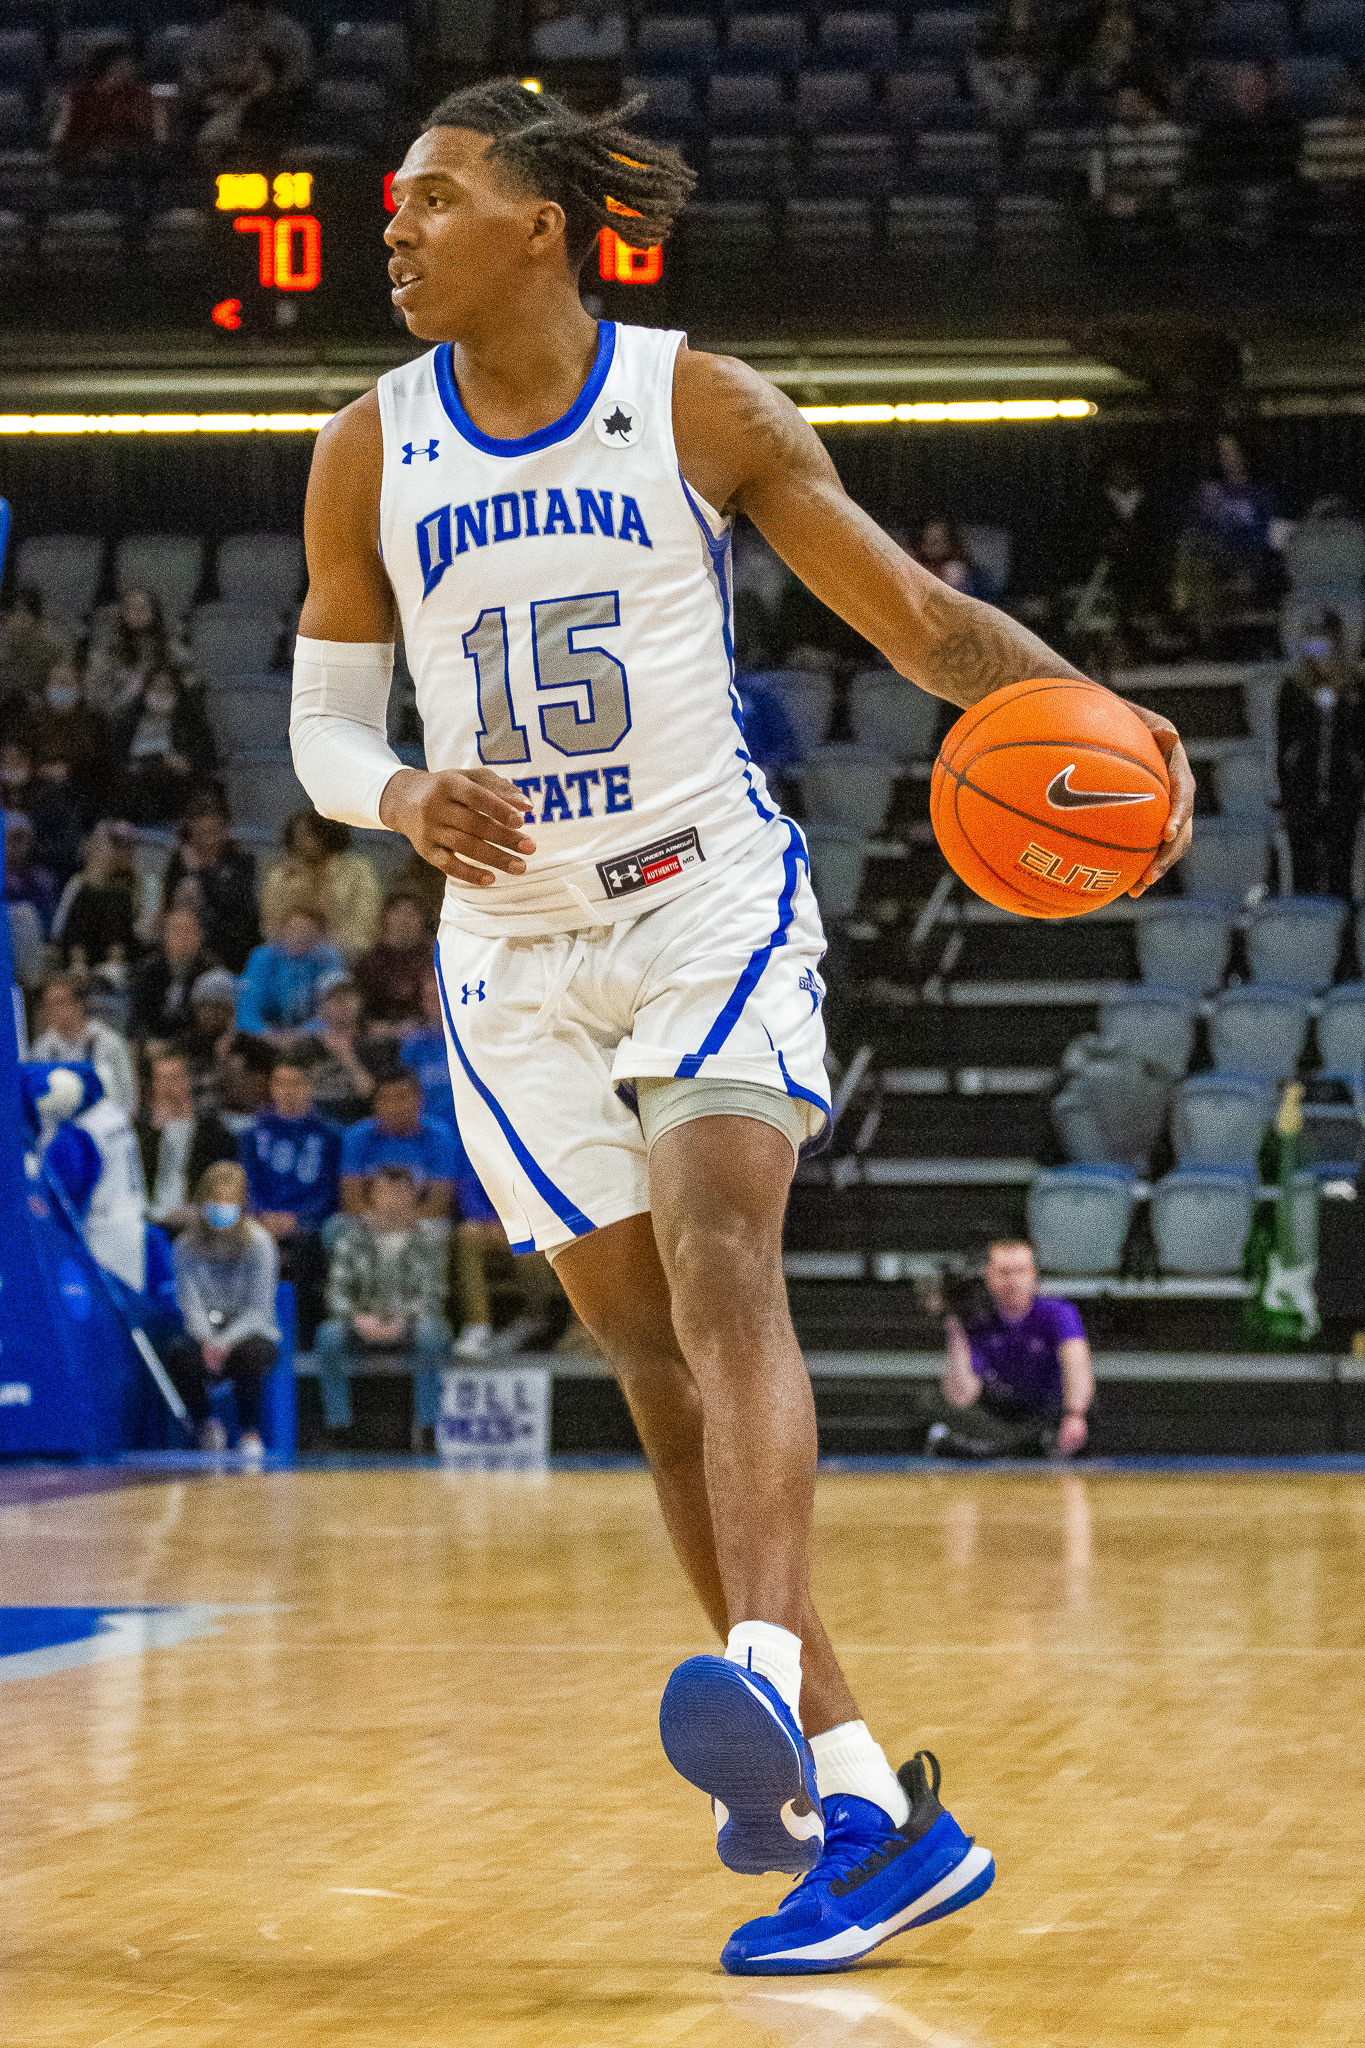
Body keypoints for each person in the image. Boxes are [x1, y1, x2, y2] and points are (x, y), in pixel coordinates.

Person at [288, 77, 1193, 1976]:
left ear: (541, 223)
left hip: (703, 895)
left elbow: (930, 630)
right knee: (651, 1364)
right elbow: (324, 728)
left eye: (434, 198)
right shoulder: (362, 448)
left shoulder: (696, 403)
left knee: (721, 1258)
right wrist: (401, 796)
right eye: (395, 204)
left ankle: (762, 1670)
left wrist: (1113, 727)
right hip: (508, 949)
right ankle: (865, 1809)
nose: (398, 228)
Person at [314, 1164, 452, 1451]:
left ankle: (426, 1427)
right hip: (360, 1319)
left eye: (401, 1193)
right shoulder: (352, 1237)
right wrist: (358, 1317)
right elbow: (337, 1292)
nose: (394, 1199)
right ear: (373, 1195)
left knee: (432, 1333)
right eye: (387, 1192)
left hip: (410, 1321)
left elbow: (433, 1294)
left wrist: (402, 1320)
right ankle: (338, 1427)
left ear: (413, 1197)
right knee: (328, 1335)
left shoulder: (429, 1239)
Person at [927, 1242, 1095, 1459]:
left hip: (1046, 1410)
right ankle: (1016, 1447)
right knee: (931, 1401)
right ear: (988, 1277)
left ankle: (991, 1448)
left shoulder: (1058, 1312)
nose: (1013, 1281)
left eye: (1021, 1271)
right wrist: (953, 1325)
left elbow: (1077, 1364)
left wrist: (1075, 1413)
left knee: (1086, 1409)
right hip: (1000, 1410)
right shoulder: (977, 1320)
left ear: (1033, 1275)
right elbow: (963, 1395)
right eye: (1004, 1273)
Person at [168, 1160, 281, 1458]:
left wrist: (225, 1340)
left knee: (252, 1354)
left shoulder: (260, 1243)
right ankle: (207, 1427)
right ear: (203, 1201)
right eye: (215, 1201)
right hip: (204, 1332)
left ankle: (250, 1433)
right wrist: (208, 1338)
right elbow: (190, 1303)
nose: (221, 1208)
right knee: (177, 1352)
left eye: (228, 1202)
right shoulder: (185, 1246)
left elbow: (259, 1309)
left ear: (242, 1204)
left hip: (250, 1331)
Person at [239, 1056, 340, 1344]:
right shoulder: (252, 1134)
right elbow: (246, 1183)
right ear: (271, 1086)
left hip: (308, 1224)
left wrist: (300, 1219)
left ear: (310, 1087)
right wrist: (261, 1215)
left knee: (308, 1249)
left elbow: (331, 1191)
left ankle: (304, 1340)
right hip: (261, 1220)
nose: (288, 1090)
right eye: (281, 1082)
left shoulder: (330, 1134)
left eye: (296, 1083)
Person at [1278, 615, 1365, 899]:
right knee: (1304, 867)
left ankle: (1340, 919)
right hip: (1302, 791)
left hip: (1343, 791)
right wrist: (1284, 791)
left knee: (1340, 864)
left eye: (1325, 646)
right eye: (1312, 647)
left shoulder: (1356, 688)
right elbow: (1284, 744)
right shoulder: (1293, 688)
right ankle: (1306, 920)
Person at [260, 810, 383, 963]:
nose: (301, 841)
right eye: (297, 835)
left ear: (326, 835)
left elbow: (365, 920)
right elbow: (271, 924)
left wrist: (330, 951)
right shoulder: (281, 875)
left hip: (347, 955)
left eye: (308, 835)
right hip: (289, 956)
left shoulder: (358, 871)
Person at [136, 1048, 237, 1231]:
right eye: (162, 1078)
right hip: (148, 1220)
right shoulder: (142, 1131)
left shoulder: (211, 1130)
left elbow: (221, 1184)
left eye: (175, 1077)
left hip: (196, 1220)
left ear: (188, 1081)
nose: (168, 1085)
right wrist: (156, 1129)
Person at [338, 1068, 456, 1218]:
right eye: (386, 1099)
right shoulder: (356, 1136)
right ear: (375, 1104)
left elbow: (439, 1202)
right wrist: (381, 1222)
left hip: (422, 1220)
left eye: (401, 1097)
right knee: (337, 1225)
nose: (394, 1106)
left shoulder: (440, 1136)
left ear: (420, 1099)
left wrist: (402, 1223)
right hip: (367, 1219)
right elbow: (352, 1199)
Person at [161, 794, 260, 972]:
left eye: (214, 831)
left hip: (230, 945)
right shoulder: (179, 863)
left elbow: (236, 906)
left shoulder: (242, 862)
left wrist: (198, 873)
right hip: (188, 945)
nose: (209, 840)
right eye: (202, 833)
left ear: (225, 830)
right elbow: (169, 905)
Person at [110, 666, 218, 827]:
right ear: (146, 689)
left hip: (176, 786)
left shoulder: (191, 722)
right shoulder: (127, 720)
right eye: (156, 687)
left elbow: (207, 758)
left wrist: (188, 763)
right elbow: (115, 759)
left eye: (167, 687)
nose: (161, 692)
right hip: (135, 788)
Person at [31, 970, 139, 1115]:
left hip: (105, 1119)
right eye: (48, 1004)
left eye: (59, 1002)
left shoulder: (108, 1041)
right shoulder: (42, 1047)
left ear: (80, 1003)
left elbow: (127, 1092)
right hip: (60, 1122)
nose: (53, 1010)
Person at [50, 45, 169, 171]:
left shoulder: (143, 96)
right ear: (106, 69)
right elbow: (59, 136)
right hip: (85, 164)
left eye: (130, 66)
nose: (130, 71)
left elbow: (157, 136)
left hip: (131, 165)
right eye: (121, 66)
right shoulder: (79, 96)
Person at [235, 907, 345, 1039]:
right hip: (266, 1033)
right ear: (281, 931)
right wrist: (266, 1033)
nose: (299, 937)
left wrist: (300, 1035)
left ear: (320, 937)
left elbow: (336, 1010)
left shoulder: (328, 958)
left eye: (308, 932)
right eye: (293, 930)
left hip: (313, 1036)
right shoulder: (263, 957)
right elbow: (247, 1007)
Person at [49, 820, 142, 970]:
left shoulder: (140, 883)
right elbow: (58, 930)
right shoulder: (79, 883)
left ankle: (112, 965)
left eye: (129, 845)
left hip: (126, 951)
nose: (125, 851)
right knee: (89, 894)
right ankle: (79, 965)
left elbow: (144, 927)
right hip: (82, 950)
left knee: (117, 898)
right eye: (118, 845)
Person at [294, 968, 382, 1122]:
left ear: (359, 1000)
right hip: (314, 1123)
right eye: (334, 998)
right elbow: (292, 1092)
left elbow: (370, 1093)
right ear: (320, 1006)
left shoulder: (375, 1042)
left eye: (348, 996)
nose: (343, 1003)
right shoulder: (307, 1044)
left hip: (359, 1120)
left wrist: (348, 1058)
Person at [129, 904, 218, 1043]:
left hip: (193, 1044)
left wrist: (175, 1045)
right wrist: (147, 1042)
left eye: (188, 931)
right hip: (152, 1042)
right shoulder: (149, 969)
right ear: (164, 936)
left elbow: (208, 1024)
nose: (183, 937)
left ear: (200, 936)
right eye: (176, 930)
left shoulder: (211, 972)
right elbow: (138, 1015)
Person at [86, 588, 177, 718]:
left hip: (159, 714)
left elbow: (185, 677)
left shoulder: (169, 646)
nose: (136, 613)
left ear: (153, 612)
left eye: (142, 608)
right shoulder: (108, 646)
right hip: (117, 713)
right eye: (130, 608)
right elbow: (95, 691)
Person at [353, 892, 433, 1028]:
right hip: (379, 1032)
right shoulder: (369, 962)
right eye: (399, 913)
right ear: (386, 917)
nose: (405, 920)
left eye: (411, 914)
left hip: (427, 1032)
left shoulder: (433, 958)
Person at [0, 587, 68, 716]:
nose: (17, 623)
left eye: (24, 616)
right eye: (12, 616)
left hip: (40, 717)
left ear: (37, 620)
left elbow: (62, 696)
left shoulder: (53, 654)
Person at [914, 517, 978, 597]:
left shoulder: (955, 569)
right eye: (926, 540)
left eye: (936, 542)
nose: (930, 546)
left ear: (950, 543)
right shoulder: (916, 563)